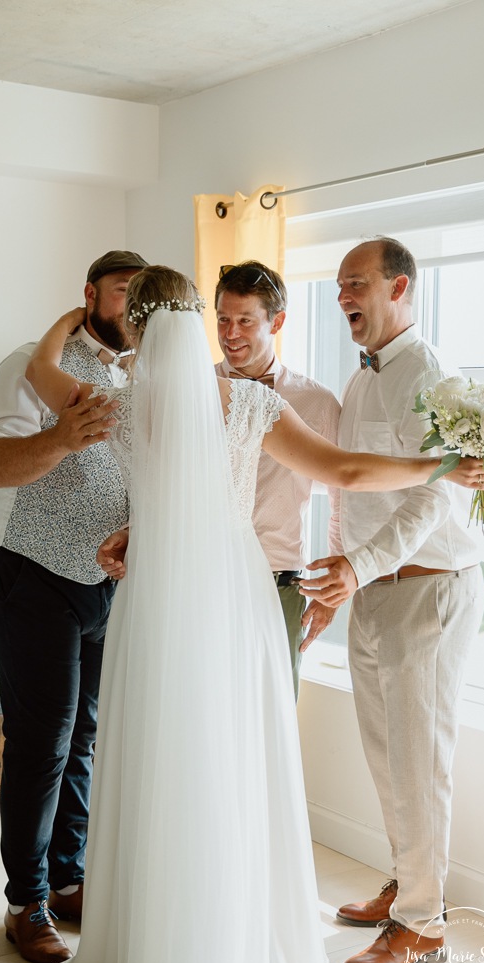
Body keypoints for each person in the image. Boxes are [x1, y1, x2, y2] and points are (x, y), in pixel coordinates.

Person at [23, 265, 484, 963]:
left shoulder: (113, 399)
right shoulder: (247, 403)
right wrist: (441, 467)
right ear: (198, 322)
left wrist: (71, 318)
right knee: (229, 763)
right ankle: (228, 955)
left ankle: (150, 958)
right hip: (233, 596)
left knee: (157, 762)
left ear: (137, 328)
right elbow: (343, 473)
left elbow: (46, 369)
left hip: (155, 600)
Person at [299, 237, 484, 963]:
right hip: (371, 591)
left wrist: (358, 566)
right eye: (339, 285)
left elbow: (433, 493)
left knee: (420, 763)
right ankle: (405, 885)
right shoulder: (358, 381)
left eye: (357, 283)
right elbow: (351, 490)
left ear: (399, 287)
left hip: (428, 590)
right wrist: (339, 577)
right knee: (386, 758)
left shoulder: (428, 373)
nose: (344, 295)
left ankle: (422, 925)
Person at [0, 249, 149, 963]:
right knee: (42, 743)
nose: (131, 309)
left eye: (142, 300)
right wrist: (57, 438)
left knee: (86, 737)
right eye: (119, 294)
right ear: (89, 296)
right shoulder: (29, 362)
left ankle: (69, 878)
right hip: (31, 571)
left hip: (108, 581)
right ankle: (27, 902)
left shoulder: (142, 377)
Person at [214, 261, 341, 698]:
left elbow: (342, 495)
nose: (231, 333)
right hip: (203, 578)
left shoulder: (318, 402)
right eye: (223, 320)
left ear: (278, 321)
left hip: (279, 584)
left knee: (276, 716)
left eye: (245, 321)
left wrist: (331, 592)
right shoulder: (196, 389)